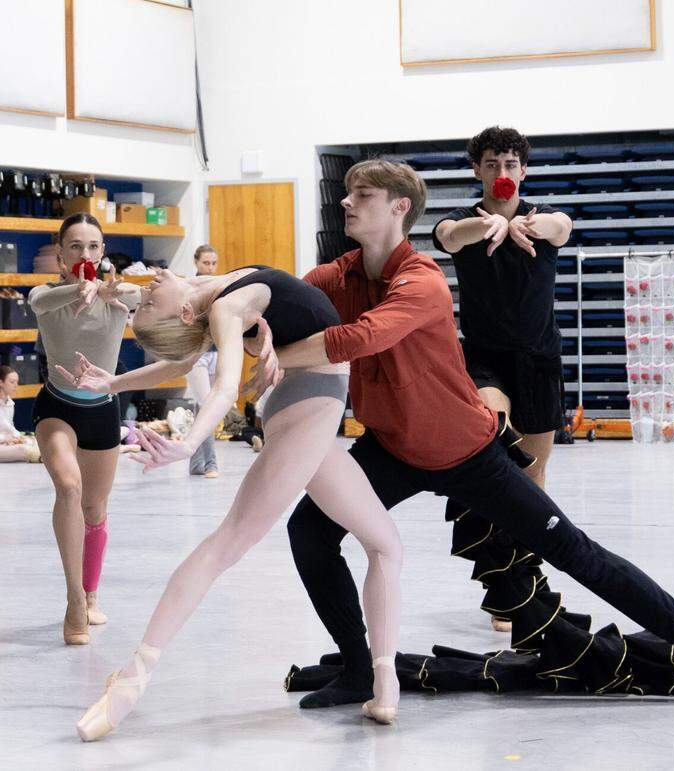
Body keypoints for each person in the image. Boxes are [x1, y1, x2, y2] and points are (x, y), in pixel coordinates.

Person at [258, 159, 674, 712]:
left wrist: (275, 359)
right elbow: (278, 293)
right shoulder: (338, 276)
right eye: (346, 193)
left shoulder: (422, 281)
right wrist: (215, 304)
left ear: (398, 208)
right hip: (391, 448)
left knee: (578, 554)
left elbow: (362, 337)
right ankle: (360, 669)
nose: (346, 202)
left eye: (361, 195)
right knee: (310, 531)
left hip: (468, 453)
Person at [69, 263, 402, 741]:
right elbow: (223, 385)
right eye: (147, 303)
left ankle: (384, 685)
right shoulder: (226, 306)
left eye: (143, 301)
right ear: (183, 312)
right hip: (309, 408)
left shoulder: (212, 296)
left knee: (385, 543)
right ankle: (133, 679)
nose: (148, 290)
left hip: (309, 407)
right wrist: (189, 443)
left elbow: (182, 358)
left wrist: (111, 383)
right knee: (226, 544)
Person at [432, 127, 572, 632]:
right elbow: (448, 237)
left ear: (524, 170)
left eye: (511, 164)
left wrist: (527, 228)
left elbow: (563, 225)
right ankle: (498, 581)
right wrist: (488, 227)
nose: (503, 173)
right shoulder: (461, 223)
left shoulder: (543, 220)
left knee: (532, 478)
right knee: (496, 448)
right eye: (492, 164)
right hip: (485, 361)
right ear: (477, 170)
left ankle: (523, 585)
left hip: (539, 360)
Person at [30, 213, 139, 645]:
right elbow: (42, 304)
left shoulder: (119, 297)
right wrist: (80, 288)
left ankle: (92, 594)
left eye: (93, 246)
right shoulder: (45, 294)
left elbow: (135, 295)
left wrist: (113, 292)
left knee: (95, 509)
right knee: (69, 489)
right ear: (60, 255)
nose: (84, 255)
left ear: (103, 252)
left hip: (102, 412)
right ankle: (74, 600)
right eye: (74, 247)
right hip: (57, 408)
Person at [186, 244, 222, 477]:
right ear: (196, 263)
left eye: (213, 263)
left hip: (215, 353)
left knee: (203, 407)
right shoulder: (190, 288)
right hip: (197, 354)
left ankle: (195, 463)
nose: (210, 267)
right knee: (208, 405)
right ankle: (211, 463)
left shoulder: (220, 286)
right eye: (206, 263)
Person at [0, 365, 40, 462]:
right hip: (3, 442)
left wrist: (17, 437)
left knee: (33, 440)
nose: (15, 385)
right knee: (22, 449)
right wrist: (5, 439)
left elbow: (10, 426)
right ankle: (43, 456)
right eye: (12, 382)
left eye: (16, 382)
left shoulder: (10, 403)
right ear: (1, 382)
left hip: (6, 442)